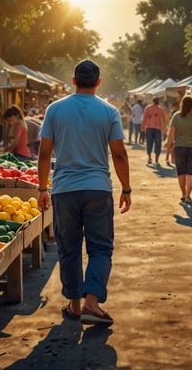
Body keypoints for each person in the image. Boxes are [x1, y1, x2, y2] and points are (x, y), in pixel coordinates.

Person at [37, 59, 131, 326]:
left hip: (64, 190)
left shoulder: (55, 109)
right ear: (98, 82)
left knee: (68, 248)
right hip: (98, 189)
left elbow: (44, 153)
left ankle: (75, 304)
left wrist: (42, 188)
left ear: (73, 80)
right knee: (100, 248)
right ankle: (92, 303)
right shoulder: (109, 112)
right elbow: (119, 154)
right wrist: (126, 188)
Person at [166, 95, 192, 205]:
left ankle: (183, 194)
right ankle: (188, 195)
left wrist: (169, 146)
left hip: (179, 148)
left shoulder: (176, 116)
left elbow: (171, 133)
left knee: (181, 172)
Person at [142, 96, 168, 165]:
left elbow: (144, 118)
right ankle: (156, 159)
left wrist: (143, 127)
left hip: (150, 128)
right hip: (157, 129)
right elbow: (165, 119)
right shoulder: (160, 109)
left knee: (149, 143)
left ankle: (150, 158)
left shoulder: (148, 108)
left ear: (152, 101)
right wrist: (165, 128)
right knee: (157, 144)